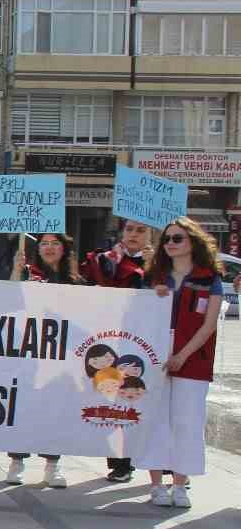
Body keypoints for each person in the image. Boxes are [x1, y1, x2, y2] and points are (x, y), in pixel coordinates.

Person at [142, 217, 222, 509]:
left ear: (193, 242)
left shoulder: (209, 277)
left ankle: (179, 484)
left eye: (177, 238)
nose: (171, 244)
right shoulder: (154, 276)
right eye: (167, 239)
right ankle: (155, 485)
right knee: (156, 419)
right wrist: (153, 295)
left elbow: (209, 324)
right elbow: (136, 315)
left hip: (193, 357)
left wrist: (182, 356)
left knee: (187, 422)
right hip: (154, 355)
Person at [6, 232, 83, 489]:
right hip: (28, 355)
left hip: (59, 359)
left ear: (65, 248)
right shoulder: (28, 273)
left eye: (55, 243)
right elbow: (9, 300)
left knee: (55, 410)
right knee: (23, 406)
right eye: (44, 244)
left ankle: (52, 464)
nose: (49, 248)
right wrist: (16, 273)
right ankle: (17, 461)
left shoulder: (75, 281)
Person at [83, 218, 152, 481]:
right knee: (117, 399)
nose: (134, 234)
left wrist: (152, 266)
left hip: (149, 340)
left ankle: (166, 466)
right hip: (115, 339)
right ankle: (121, 464)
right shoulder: (104, 260)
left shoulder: (160, 262)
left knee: (149, 400)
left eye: (141, 230)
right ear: (122, 232)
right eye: (130, 229)